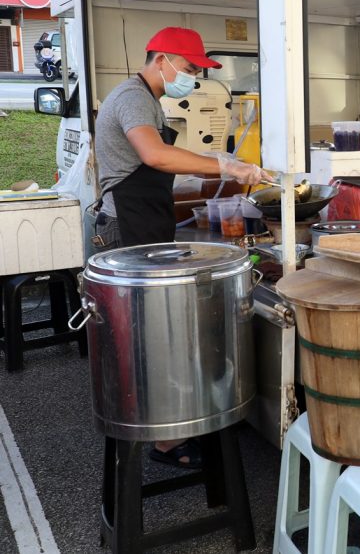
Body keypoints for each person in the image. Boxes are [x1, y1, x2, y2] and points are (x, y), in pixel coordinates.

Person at [93, 26, 270, 468]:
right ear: (163, 60)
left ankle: (160, 429)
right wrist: (225, 163)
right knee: (146, 336)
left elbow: (160, 161)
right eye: (189, 69)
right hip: (126, 228)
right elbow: (155, 156)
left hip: (142, 222)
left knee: (149, 334)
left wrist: (209, 170)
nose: (191, 77)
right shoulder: (133, 98)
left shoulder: (147, 98)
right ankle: (157, 437)